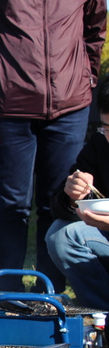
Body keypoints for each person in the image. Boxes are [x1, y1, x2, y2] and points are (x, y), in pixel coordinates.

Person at [0, 0, 106, 293]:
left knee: (59, 201)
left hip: (70, 106)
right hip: (9, 107)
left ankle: (49, 293)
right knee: (12, 205)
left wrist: (86, 77)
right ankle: (7, 292)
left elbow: (95, 28)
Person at [46, 78, 109, 311]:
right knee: (62, 235)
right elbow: (59, 205)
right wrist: (73, 196)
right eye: (107, 127)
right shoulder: (100, 144)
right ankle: (101, 314)